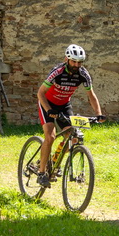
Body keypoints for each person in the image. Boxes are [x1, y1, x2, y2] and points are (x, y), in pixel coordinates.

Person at [36, 44, 105, 186]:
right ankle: (41, 173)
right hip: (47, 104)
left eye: (79, 62)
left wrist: (98, 114)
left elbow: (91, 95)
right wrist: (49, 110)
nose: (76, 65)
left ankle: (54, 161)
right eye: (73, 61)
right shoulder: (58, 72)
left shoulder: (83, 74)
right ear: (66, 59)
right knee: (50, 136)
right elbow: (40, 93)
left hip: (64, 105)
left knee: (73, 138)